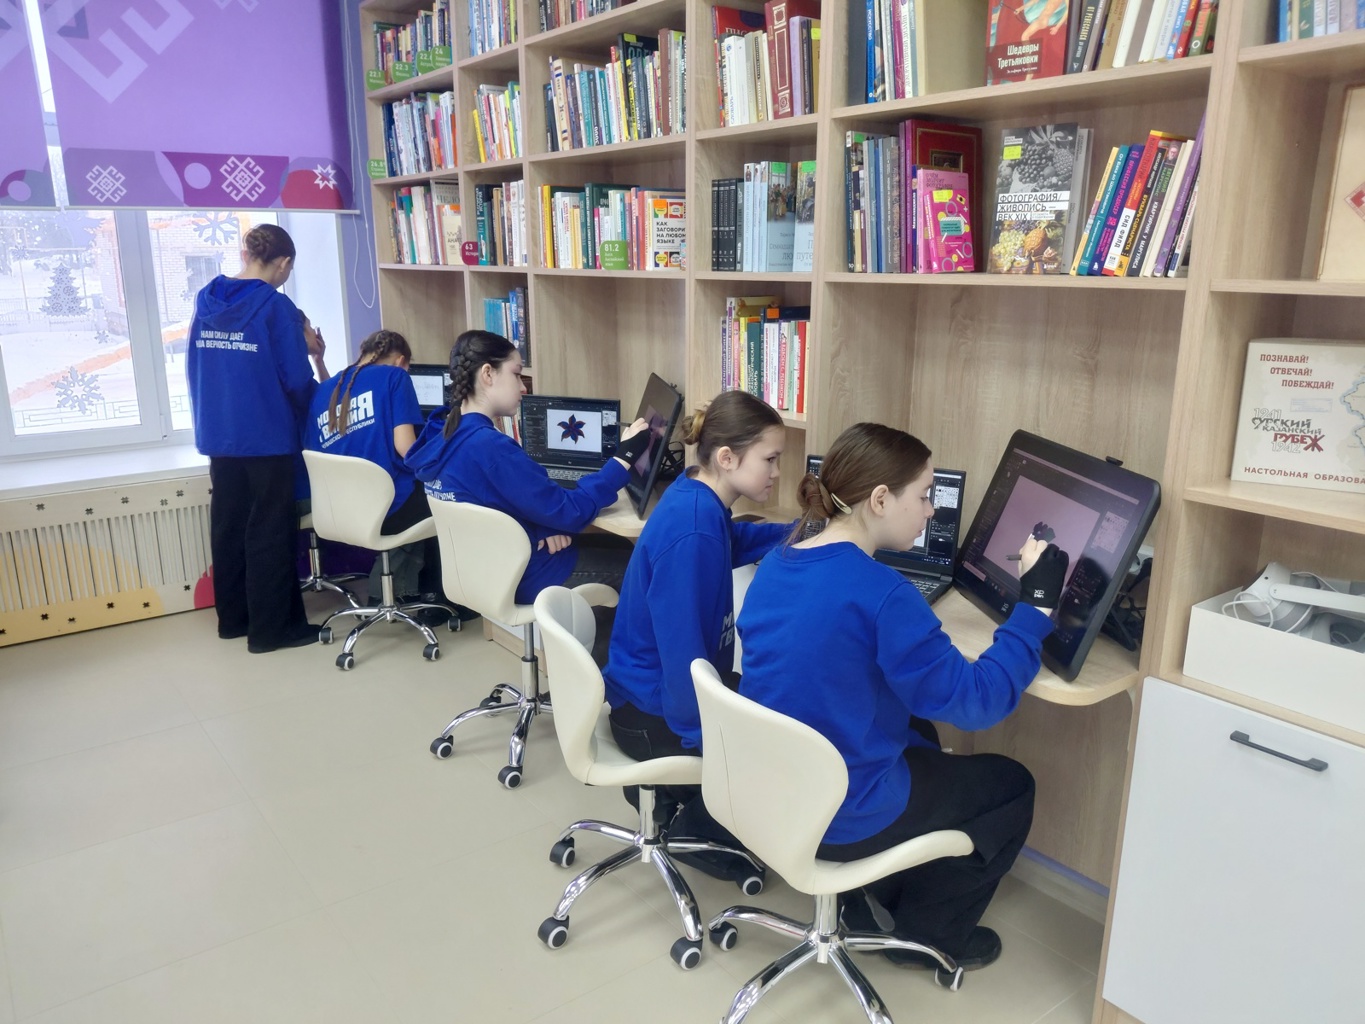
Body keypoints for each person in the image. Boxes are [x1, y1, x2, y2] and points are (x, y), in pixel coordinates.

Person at [736, 422, 1071, 972]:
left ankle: (887, 887)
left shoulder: (779, 561)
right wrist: (1033, 610)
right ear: (880, 499)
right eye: (924, 495)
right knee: (1011, 786)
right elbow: (978, 701)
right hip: (839, 815)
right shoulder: (884, 594)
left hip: (771, 792)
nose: (931, 510)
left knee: (921, 732)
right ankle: (929, 937)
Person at [603, 391, 789, 869]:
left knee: (771, 709)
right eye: (770, 459)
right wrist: (711, 743)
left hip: (653, 696)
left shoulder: (697, 497)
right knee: (782, 744)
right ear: (727, 458)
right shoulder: (692, 530)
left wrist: (794, 534)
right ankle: (696, 836)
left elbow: (729, 540)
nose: (777, 471)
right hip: (655, 713)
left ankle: (677, 798)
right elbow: (684, 661)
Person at [404, 330, 652, 613]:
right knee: (644, 566)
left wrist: (541, 525)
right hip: (531, 575)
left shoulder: (445, 437)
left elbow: (490, 502)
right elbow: (572, 511)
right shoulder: (489, 447)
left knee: (617, 548)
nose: (523, 387)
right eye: (516, 374)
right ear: (488, 374)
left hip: (490, 572)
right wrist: (623, 457)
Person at [187, 223, 329, 654]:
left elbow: (196, 365)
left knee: (228, 527)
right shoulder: (276, 307)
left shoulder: (206, 298)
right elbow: (295, 380)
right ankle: (272, 630)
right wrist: (315, 385)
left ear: (245, 254)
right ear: (283, 263)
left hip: (219, 433)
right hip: (266, 437)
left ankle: (234, 620)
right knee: (270, 532)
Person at [305, 329, 450, 621]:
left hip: (338, 512)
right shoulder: (395, 377)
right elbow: (406, 448)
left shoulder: (324, 391)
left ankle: (391, 591)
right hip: (385, 510)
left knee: (413, 492)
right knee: (445, 493)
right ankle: (435, 599)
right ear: (401, 361)